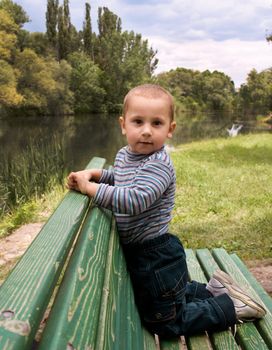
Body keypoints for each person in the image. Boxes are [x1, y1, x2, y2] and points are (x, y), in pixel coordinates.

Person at [67, 84, 266, 337]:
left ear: (170, 129)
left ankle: (230, 306)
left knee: (165, 322)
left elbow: (135, 199)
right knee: (174, 296)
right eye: (138, 121)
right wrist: (96, 175)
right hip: (153, 258)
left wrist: (89, 188)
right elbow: (124, 179)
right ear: (123, 124)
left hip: (155, 257)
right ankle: (218, 289)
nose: (147, 131)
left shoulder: (158, 164)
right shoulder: (126, 155)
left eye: (157, 123)